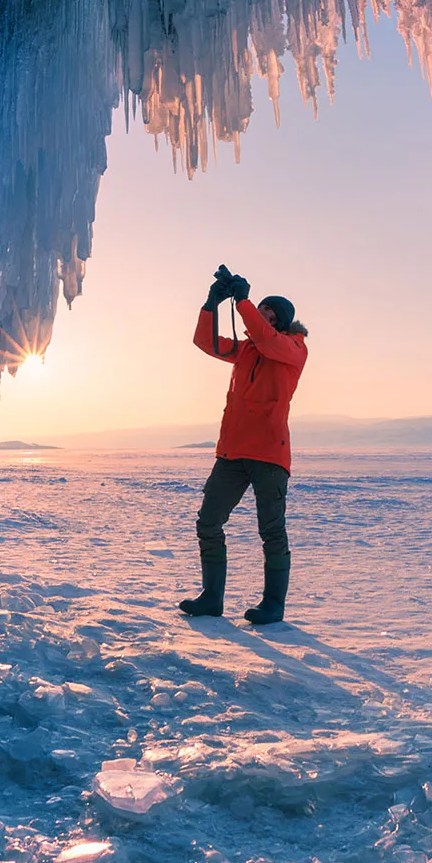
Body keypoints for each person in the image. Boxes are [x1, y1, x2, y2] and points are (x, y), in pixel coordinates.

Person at [178, 265, 309, 625]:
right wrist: (211, 305)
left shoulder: (292, 348)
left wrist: (245, 302)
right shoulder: (248, 350)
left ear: (281, 322)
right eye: (260, 309)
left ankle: (273, 604)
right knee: (208, 521)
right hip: (232, 452)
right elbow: (207, 343)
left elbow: (267, 339)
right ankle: (211, 597)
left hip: (269, 452)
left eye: (269, 313)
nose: (261, 316)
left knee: (271, 529)